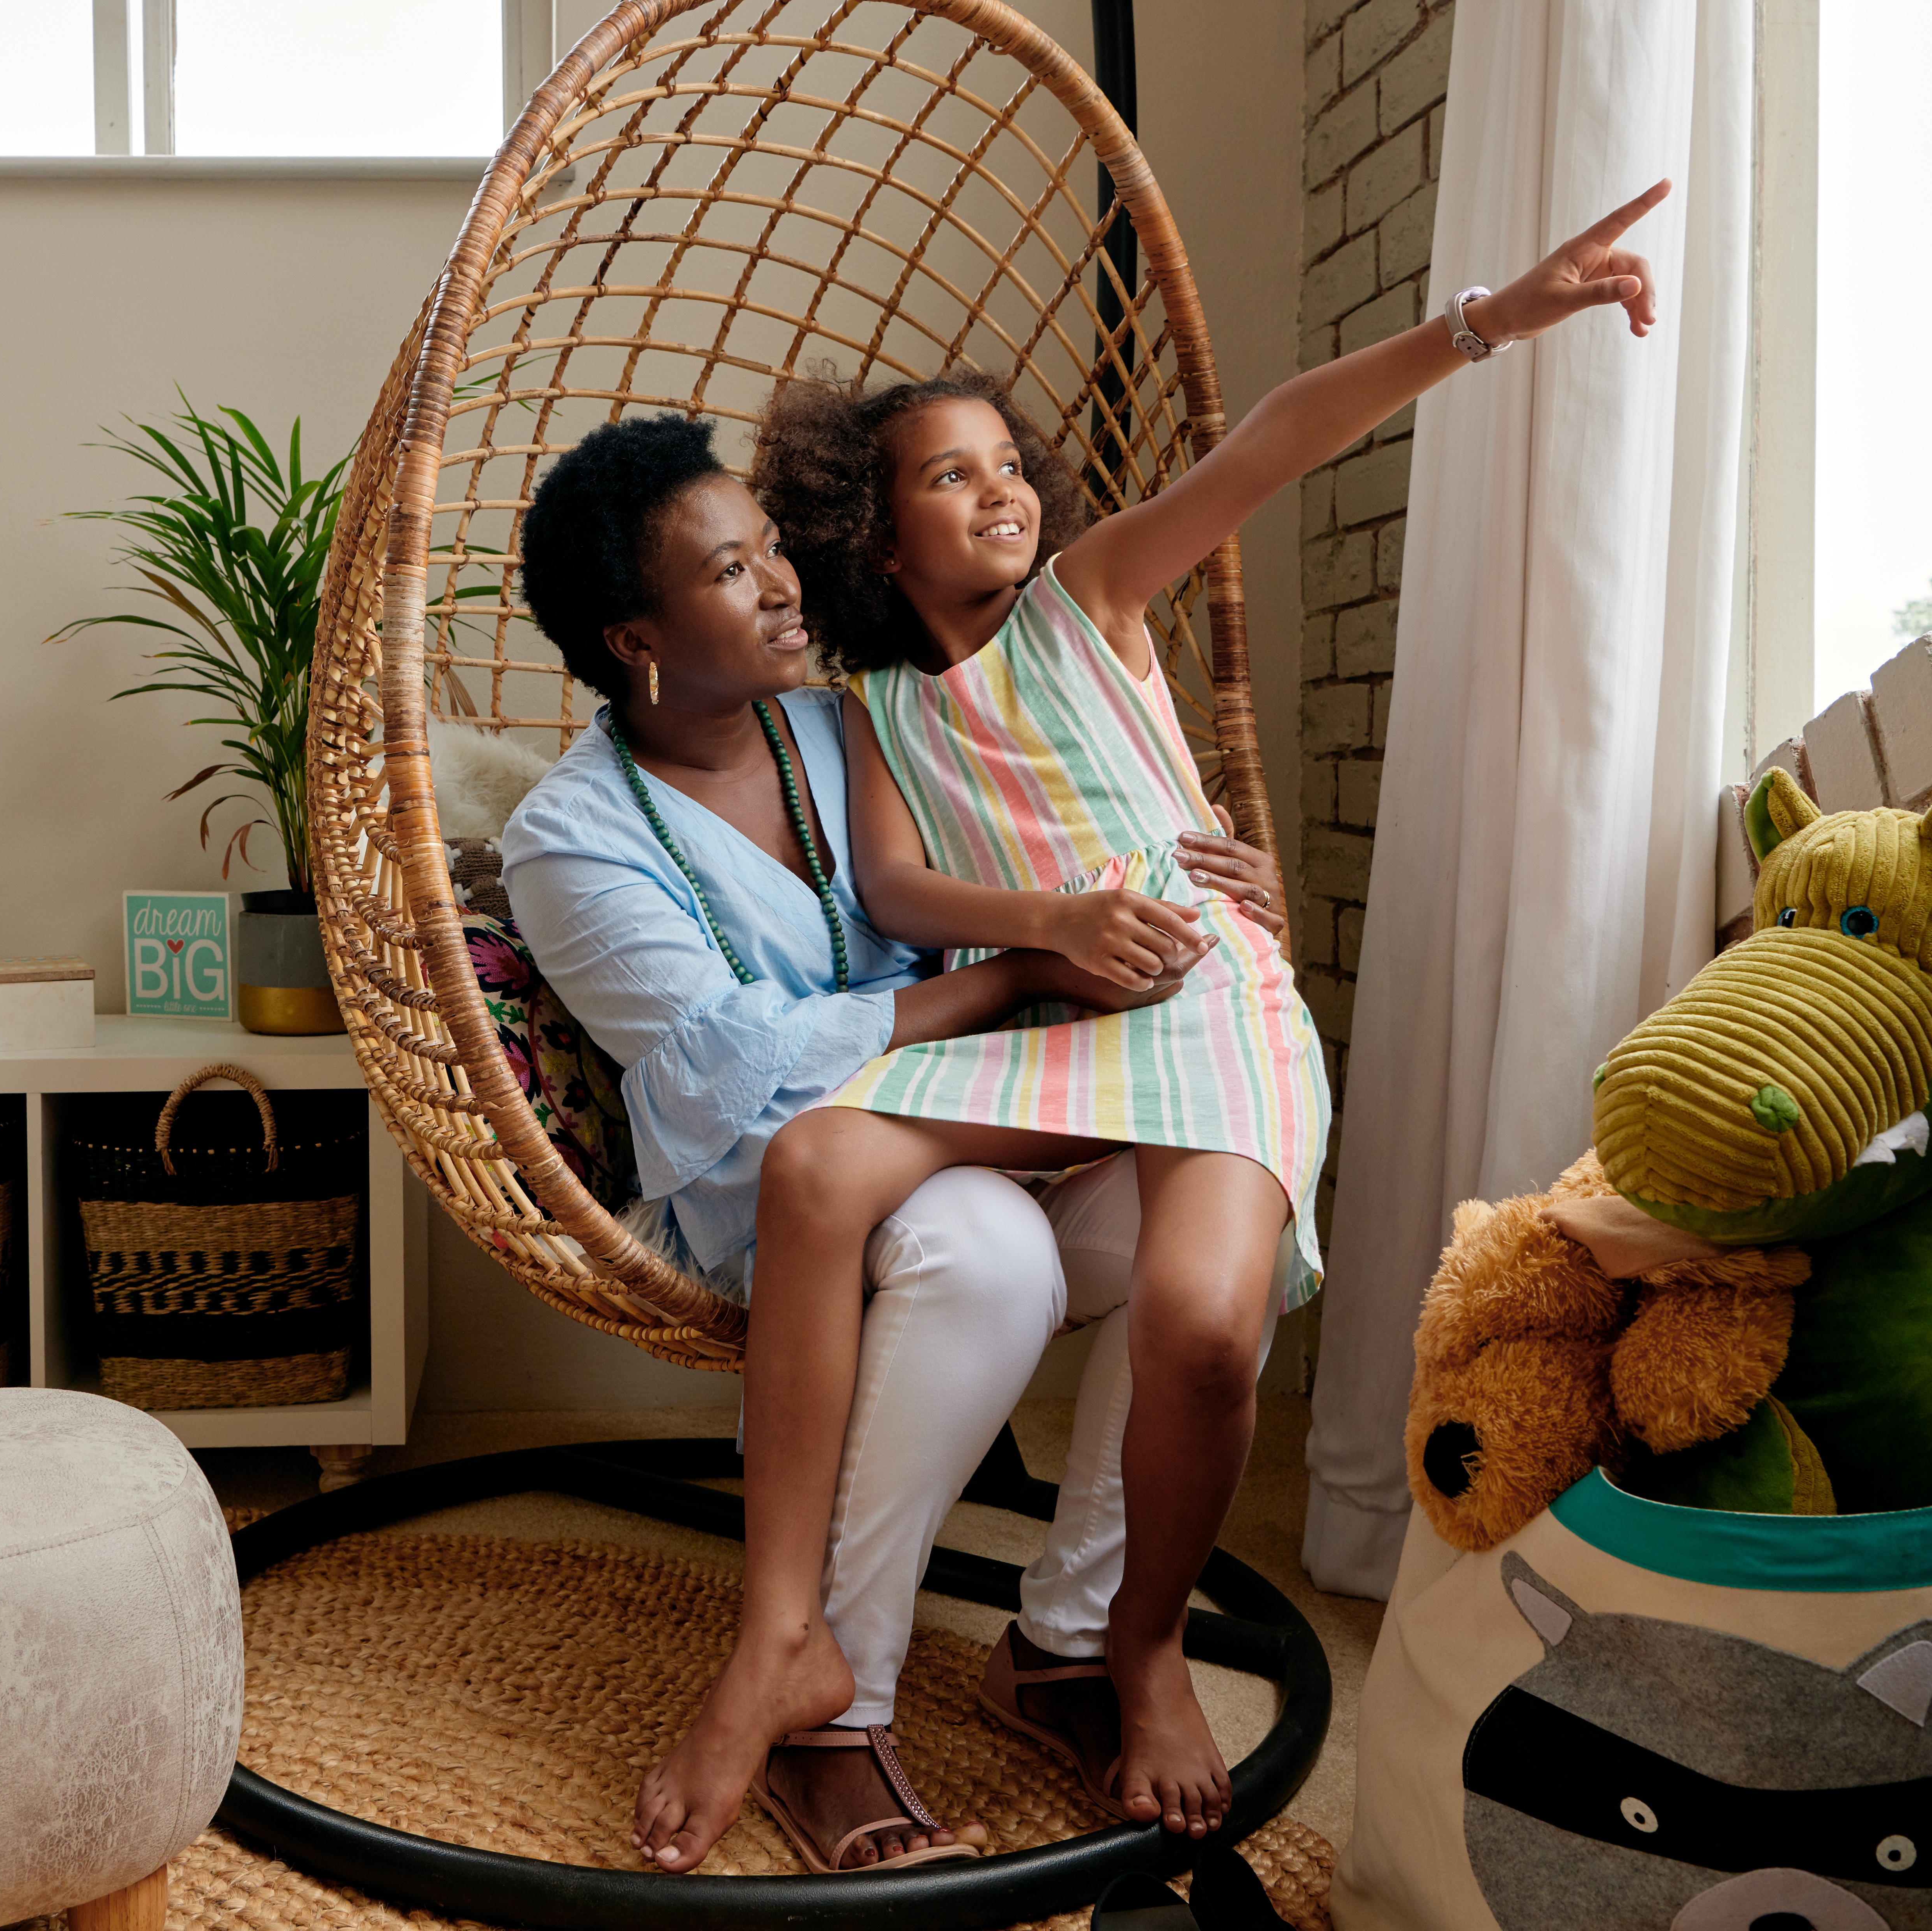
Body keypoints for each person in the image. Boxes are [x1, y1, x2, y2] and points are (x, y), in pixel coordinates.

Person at [677, 182, 1674, 1846]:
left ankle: (1131, 1645)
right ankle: (781, 1638)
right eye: (949, 475)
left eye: (1008, 462)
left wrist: (1494, 318)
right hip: (1059, 1015)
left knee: (1205, 1327)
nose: (999, 487)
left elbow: (1272, 442)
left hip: (1206, 1000)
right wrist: (1052, 925)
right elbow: (902, 890)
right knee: (815, 1164)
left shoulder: (1087, 599)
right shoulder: (877, 708)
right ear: (878, 537)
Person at [497, 414, 1288, 1874]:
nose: (781, 584)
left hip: (992, 1124)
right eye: (730, 572)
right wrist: (1015, 975)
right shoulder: (571, 836)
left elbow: (1055, 849)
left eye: (773, 548)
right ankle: (833, 1701)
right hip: (782, 1190)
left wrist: (1210, 880)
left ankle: (1068, 1642)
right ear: (636, 641)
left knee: (1209, 1197)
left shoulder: (858, 721)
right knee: (986, 1253)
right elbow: (736, 1067)